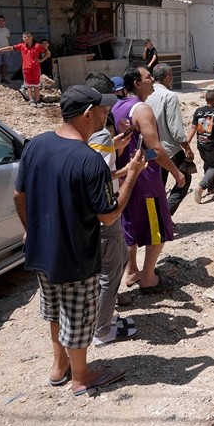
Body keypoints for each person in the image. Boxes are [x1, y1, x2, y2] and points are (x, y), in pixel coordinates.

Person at [14, 85, 144, 396]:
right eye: (102, 110)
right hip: (75, 254)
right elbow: (109, 215)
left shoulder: (37, 145)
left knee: (55, 310)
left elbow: (20, 195)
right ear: (87, 115)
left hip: (41, 250)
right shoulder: (89, 161)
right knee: (78, 314)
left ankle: (59, 368)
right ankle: (81, 376)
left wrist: (30, 229)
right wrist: (134, 174)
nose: (107, 114)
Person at [112, 66, 183, 293]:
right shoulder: (142, 108)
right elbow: (154, 148)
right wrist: (175, 172)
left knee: (129, 225)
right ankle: (149, 278)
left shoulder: (116, 107)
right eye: (147, 77)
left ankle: (131, 270)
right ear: (136, 83)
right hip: (146, 178)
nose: (152, 79)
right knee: (158, 228)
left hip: (126, 177)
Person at [83, 74, 139, 346]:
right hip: (106, 216)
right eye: (106, 108)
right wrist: (129, 171)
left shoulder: (81, 132)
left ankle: (99, 321)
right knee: (112, 270)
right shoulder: (101, 134)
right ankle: (103, 329)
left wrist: (114, 145)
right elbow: (103, 176)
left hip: (85, 215)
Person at [147, 63, 195, 216]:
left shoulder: (145, 95)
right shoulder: (169, 96)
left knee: (157, 184)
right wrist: (187, 147)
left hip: (148, 150)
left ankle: (156, 218)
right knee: (184, 179)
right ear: (168, 77)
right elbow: (175, 128)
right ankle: (165, 215)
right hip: (168, 150)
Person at [0, 32, 46, 106]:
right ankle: (31, 100)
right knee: (28, 85)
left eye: (24, 37)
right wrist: (0, 50)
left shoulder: (37, 46)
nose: (23, 39)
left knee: (36, 85)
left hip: (36, 68)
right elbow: (11, 47)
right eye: (23, 37)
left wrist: (41, 60)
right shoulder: (22, 46)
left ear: (30, 38)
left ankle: (37, 100)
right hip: (26, 68)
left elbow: (47, 53)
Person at [191, 90, 214, 204]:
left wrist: (186, 143)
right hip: (212, 145)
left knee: (207, 163)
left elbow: (193, 127)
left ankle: (211, 187)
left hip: (201, 144)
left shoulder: (198, 111)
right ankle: (202, 186)